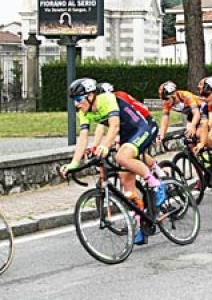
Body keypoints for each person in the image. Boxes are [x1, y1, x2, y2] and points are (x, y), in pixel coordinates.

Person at [60, 78, 164, 245]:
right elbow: (83, 137)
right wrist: (74, 163)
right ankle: (142, 223)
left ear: (91, 95)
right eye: (74, 100)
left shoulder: (107, 99)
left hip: (142, 127)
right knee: (127, 185)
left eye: (79, 99)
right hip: (127, 135)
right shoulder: (83, 112)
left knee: (121, 157)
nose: (76, 104)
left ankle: (157, 185)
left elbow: (114, 126)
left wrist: (105, 146)